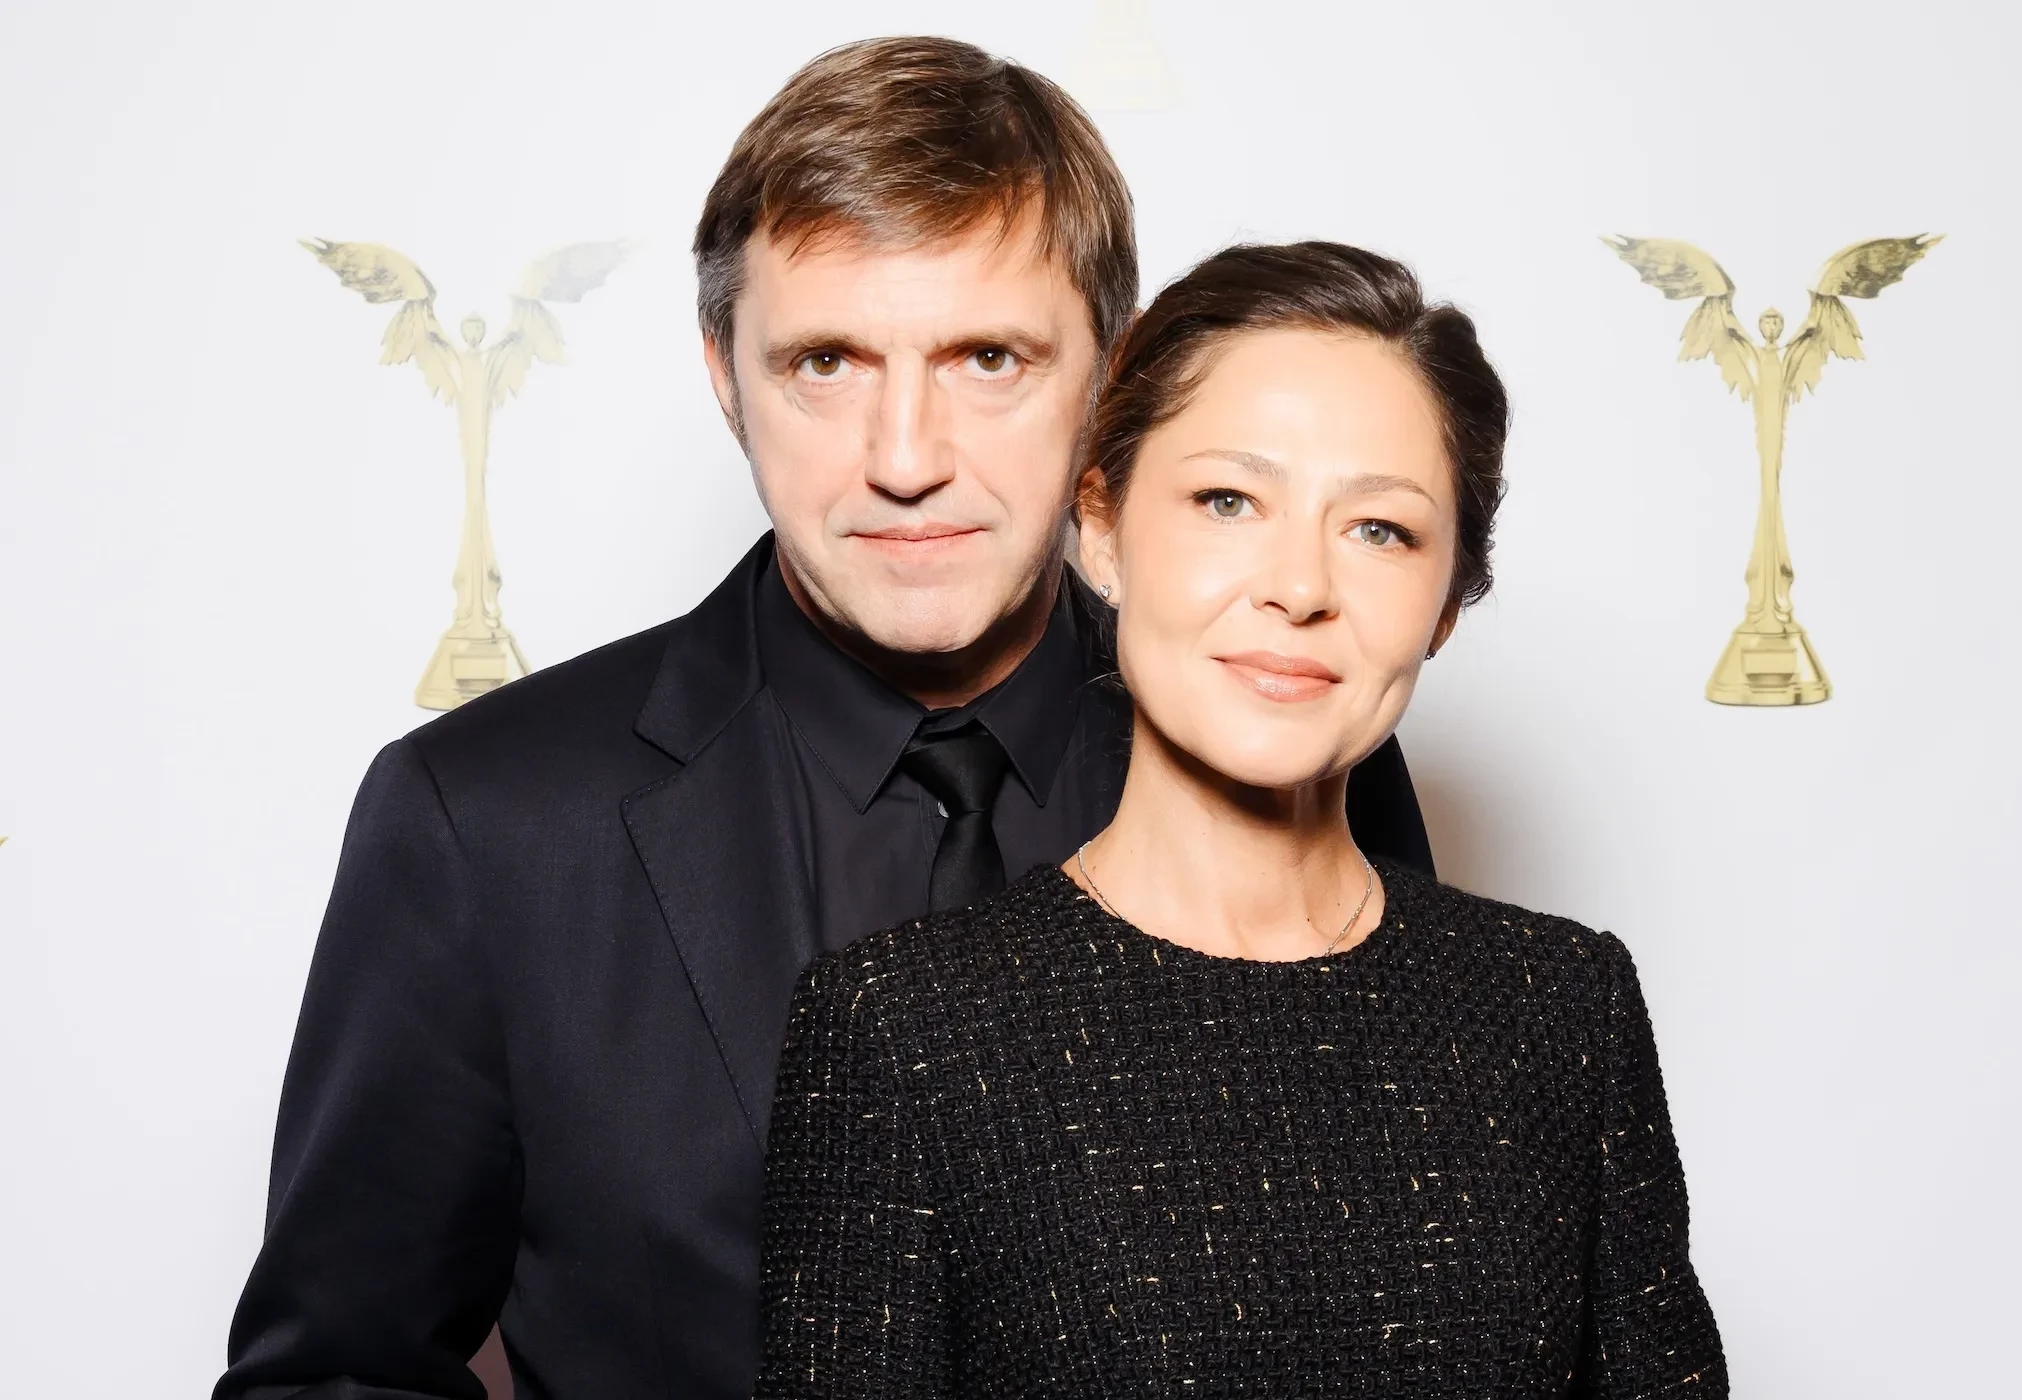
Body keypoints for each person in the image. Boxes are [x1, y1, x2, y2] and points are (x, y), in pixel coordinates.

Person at [215, 40, 1434, 1400]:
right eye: (827, 363)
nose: (905, 459)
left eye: (988, 357)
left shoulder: (1295, 755)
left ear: (1113, 375)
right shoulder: (491, 825)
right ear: (726, 377)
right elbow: (335, 1374)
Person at [755, 242, 1728, 1398]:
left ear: (1446, 603)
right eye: (1228, 501)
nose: (1299, 586)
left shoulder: (1560, 1007)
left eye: (1381, 529)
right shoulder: (902, 1028)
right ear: (1101, 528)